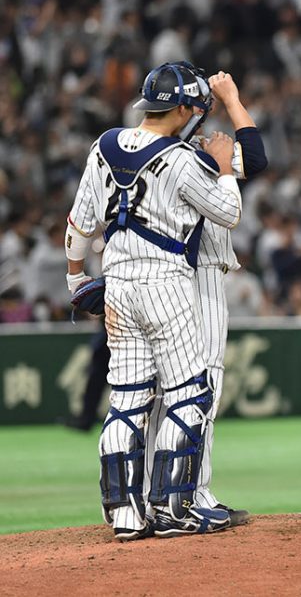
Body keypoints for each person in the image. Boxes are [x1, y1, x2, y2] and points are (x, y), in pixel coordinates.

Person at [66, 62, 243, 540]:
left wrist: (76, 279)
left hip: (117, 283)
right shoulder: (181, 159)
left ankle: (125, 513)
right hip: (165, 280)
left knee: (127, 398)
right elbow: (228, 213)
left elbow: (80, 225)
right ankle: (173, 507)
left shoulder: (103, 146)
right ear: (183, 107)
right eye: (195, 107)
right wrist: (225, 171)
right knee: (189, 393)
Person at [190, 67, 268, 523]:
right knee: (200, 387)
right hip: (197, 277)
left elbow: (255, 160)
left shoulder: (153, 151)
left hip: (161, 280)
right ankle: (193, 494)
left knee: (163, 392)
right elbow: (254, 160)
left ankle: (151, 495)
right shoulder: (195, 154)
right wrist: (233, 100)